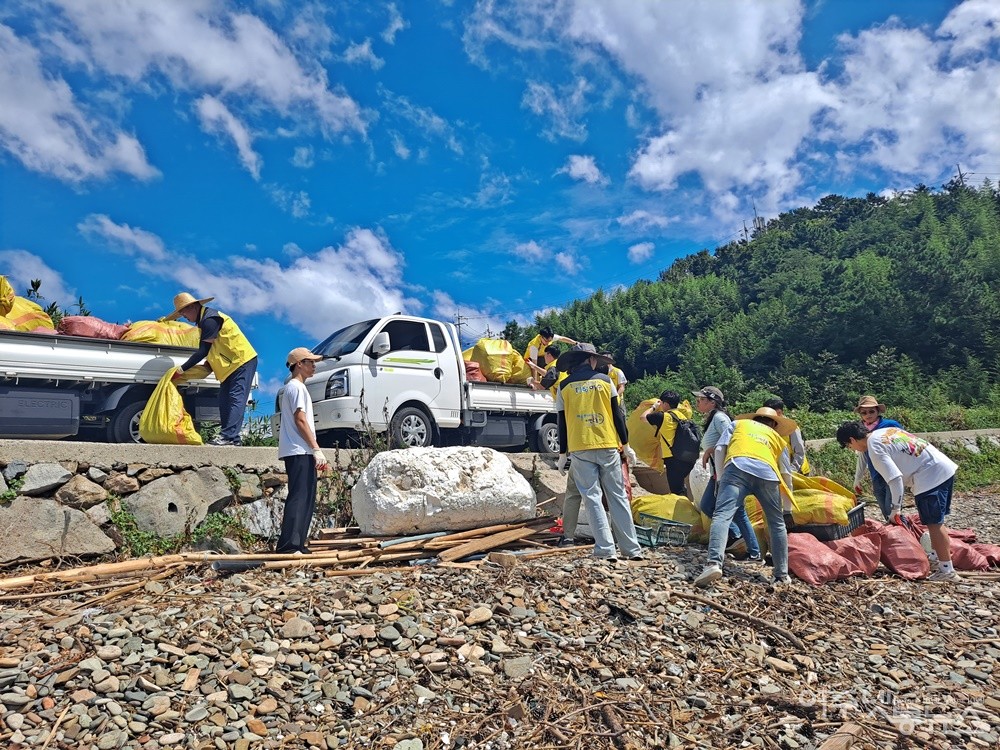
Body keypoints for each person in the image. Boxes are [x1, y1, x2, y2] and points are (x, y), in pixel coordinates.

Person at [836, 421, 959, 582]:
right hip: (942, 467)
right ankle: (937, 557)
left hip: (929, 476)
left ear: (852, 439)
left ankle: (947, 570)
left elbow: (895, 479)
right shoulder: (884, 432)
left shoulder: (875, 448)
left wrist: (896, 509)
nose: (852, 449)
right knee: (936, 522)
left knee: (934, 524)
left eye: (848, 446)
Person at [555, 343, 641, 562]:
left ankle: (605, 549)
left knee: (592, 497)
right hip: (607, 444)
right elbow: (618, 415)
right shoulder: (605, 381)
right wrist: (626, 445)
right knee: (617, 496)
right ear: (591, 359)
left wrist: (562, 454)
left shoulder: (564, 386)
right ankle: (632, 549)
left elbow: (561, 422)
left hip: (580, 447)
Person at [696, 407, 796, 588]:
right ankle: (781, 575)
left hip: (737, 468)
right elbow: (786, 475)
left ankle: (713, 564)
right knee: (776, 523)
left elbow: (719, 449)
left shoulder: (738, 424)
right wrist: (787, 510)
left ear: (755, 420)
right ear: (774, 425)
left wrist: (720, 479)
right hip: (768, 475)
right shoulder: (777, 438)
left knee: (722, 515)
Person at [166, 292, 257, 446]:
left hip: (241, 361)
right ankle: (233, 439)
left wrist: (181, 370)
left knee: (235, 399)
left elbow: (203, 351)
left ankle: (227, 436)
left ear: (193, 307)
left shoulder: (210, 319)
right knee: (224, 401)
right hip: (229, 365)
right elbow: (215, 348)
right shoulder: (204, 321)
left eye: (183, 312)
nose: (183, 316)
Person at [693, 386, 761, 562]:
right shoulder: (714, 418)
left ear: (712, 402)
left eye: (701, 400)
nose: (697, 403)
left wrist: (711, 451)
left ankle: (741, 541)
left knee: (712, 506)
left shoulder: (720, 418)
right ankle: (750, 548)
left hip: (726, 473)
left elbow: (733, 440)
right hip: (720, 472)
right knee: (734, 511)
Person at [276, 347, 331, 554]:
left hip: (300, 450)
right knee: (299, 497)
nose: (314, 366)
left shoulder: (295, 388)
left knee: (306, 497)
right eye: (310, 362)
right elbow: (300, 420)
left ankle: (298, 544)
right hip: (299, 449)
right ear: (299, 364)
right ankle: (289, 546)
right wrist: (316, 448)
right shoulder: (296, 388)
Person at [850, 396, 904, 520]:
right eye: (864, 413)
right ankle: (896, 530)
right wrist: (857, 478)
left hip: (892, 471)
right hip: (876, 474)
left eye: (871, 411)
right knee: (885, 511)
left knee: (893, 510)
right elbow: (862, 455)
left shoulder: (890, 425)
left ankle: (903, 529)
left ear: (878, 411)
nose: (868, 415)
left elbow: (904, 445)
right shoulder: (860, 431)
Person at [640, 391, 696, 495]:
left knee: (676, 490)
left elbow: (643, 417)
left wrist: (654, 407)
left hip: (673, 458)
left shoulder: (663, 417)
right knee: (680, 486)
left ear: (665, 404)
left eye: (661, 403)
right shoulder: (682, 416)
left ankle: (683, 505)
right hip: (687, 458)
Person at [763, 398, 809, 474]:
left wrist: (793, 470)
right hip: (781, 470)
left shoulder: (792, 427)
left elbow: (799, 451)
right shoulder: (770, 426)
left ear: (779, 412)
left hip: (798, 470)